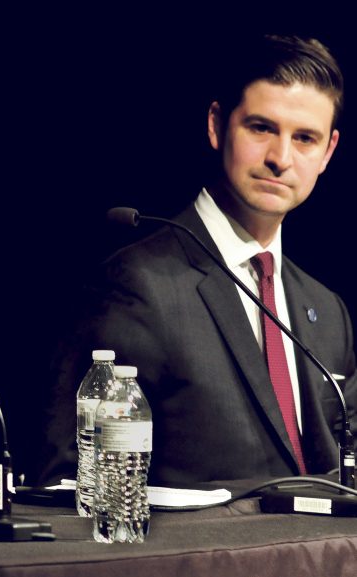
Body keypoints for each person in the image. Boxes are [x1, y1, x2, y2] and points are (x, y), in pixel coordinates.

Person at [38, 34, 356, 487]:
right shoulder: (138, 284)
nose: (280, 159)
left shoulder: (326, 310)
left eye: (305, 138)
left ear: (328, 152)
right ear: (216, 125)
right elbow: (74, 480)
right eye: (261, 128)